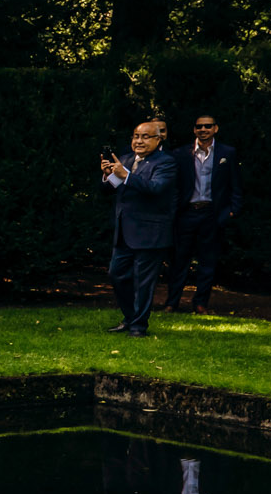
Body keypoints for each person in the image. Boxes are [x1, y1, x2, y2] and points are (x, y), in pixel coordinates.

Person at [100, 120, 177, 336]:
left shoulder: (166, 162)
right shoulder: (124, 159)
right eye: (136, 136)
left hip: (151, 232)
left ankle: (138, 326)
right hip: (124, 231)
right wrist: (108, 175)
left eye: (145, 137)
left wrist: (126, 176)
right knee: (116, 274)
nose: (139, 141)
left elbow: (156, 188)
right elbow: (109, 190)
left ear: (158, 139)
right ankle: (129, 317)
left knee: (143, 282)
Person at [165, 115, 243, 314]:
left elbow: (235, 183)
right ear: (194, 130)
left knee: (208, 261)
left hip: (212, 213)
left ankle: (200, 303)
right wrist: (173, 212)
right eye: (199, 126)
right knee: (179, 260)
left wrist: (232, 210)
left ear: (215, 128)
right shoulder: (181, 153)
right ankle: (171, 303)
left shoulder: (227, 153)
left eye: (208, 126)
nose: (203, 129)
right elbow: (174, 186)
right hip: (187, 213)